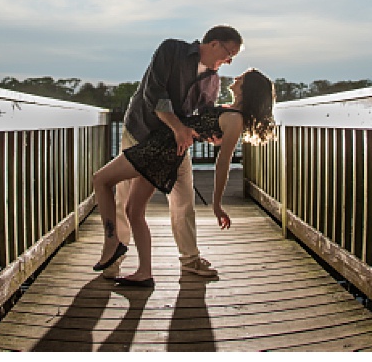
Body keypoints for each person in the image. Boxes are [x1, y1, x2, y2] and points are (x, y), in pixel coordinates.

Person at [92, 68, 277, 286]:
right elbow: (204, 126)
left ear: (248, 89)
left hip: (162, 151)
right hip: (163, 147)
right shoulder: (229, 111)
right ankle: (144, 272)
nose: (236, 78)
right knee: (133, 210)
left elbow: (223, 163)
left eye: (242, 78)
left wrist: (217, 204)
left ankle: (113, 242)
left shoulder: (235, 120)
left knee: (101, 180)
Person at [96, 26, 244, 280]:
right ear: (214, 44)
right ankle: (113, 259)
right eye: (229, 53)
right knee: (123, 201)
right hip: (140, 131)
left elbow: (202, 113)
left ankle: (190, 260)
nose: (229, 61)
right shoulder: (171, 50)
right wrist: (177, 127)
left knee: (184, 199)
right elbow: (154, 93)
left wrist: (213, 135)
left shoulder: (213, 80)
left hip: (173, 145)